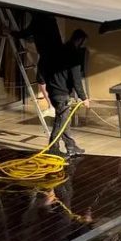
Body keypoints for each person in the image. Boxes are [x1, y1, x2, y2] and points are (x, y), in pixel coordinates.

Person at [45, 28, 90, 158]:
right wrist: (84, 98)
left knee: (65, 121)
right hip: (61, 92)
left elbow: (46, 69)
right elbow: (76, 79)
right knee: (61, 122)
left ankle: (71, 146)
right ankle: (53, 149)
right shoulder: (74, 55)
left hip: (53, 90)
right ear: (80, 40)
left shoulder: (58, 50)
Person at [20, 12, 63, 112]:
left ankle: (52, 106)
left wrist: (11, 32)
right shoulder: (51, 20)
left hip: (48, 55)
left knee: (41, 80)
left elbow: (26, 33)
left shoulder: (38, 20)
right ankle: (56, 104)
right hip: (55, 54)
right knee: (51, 80)